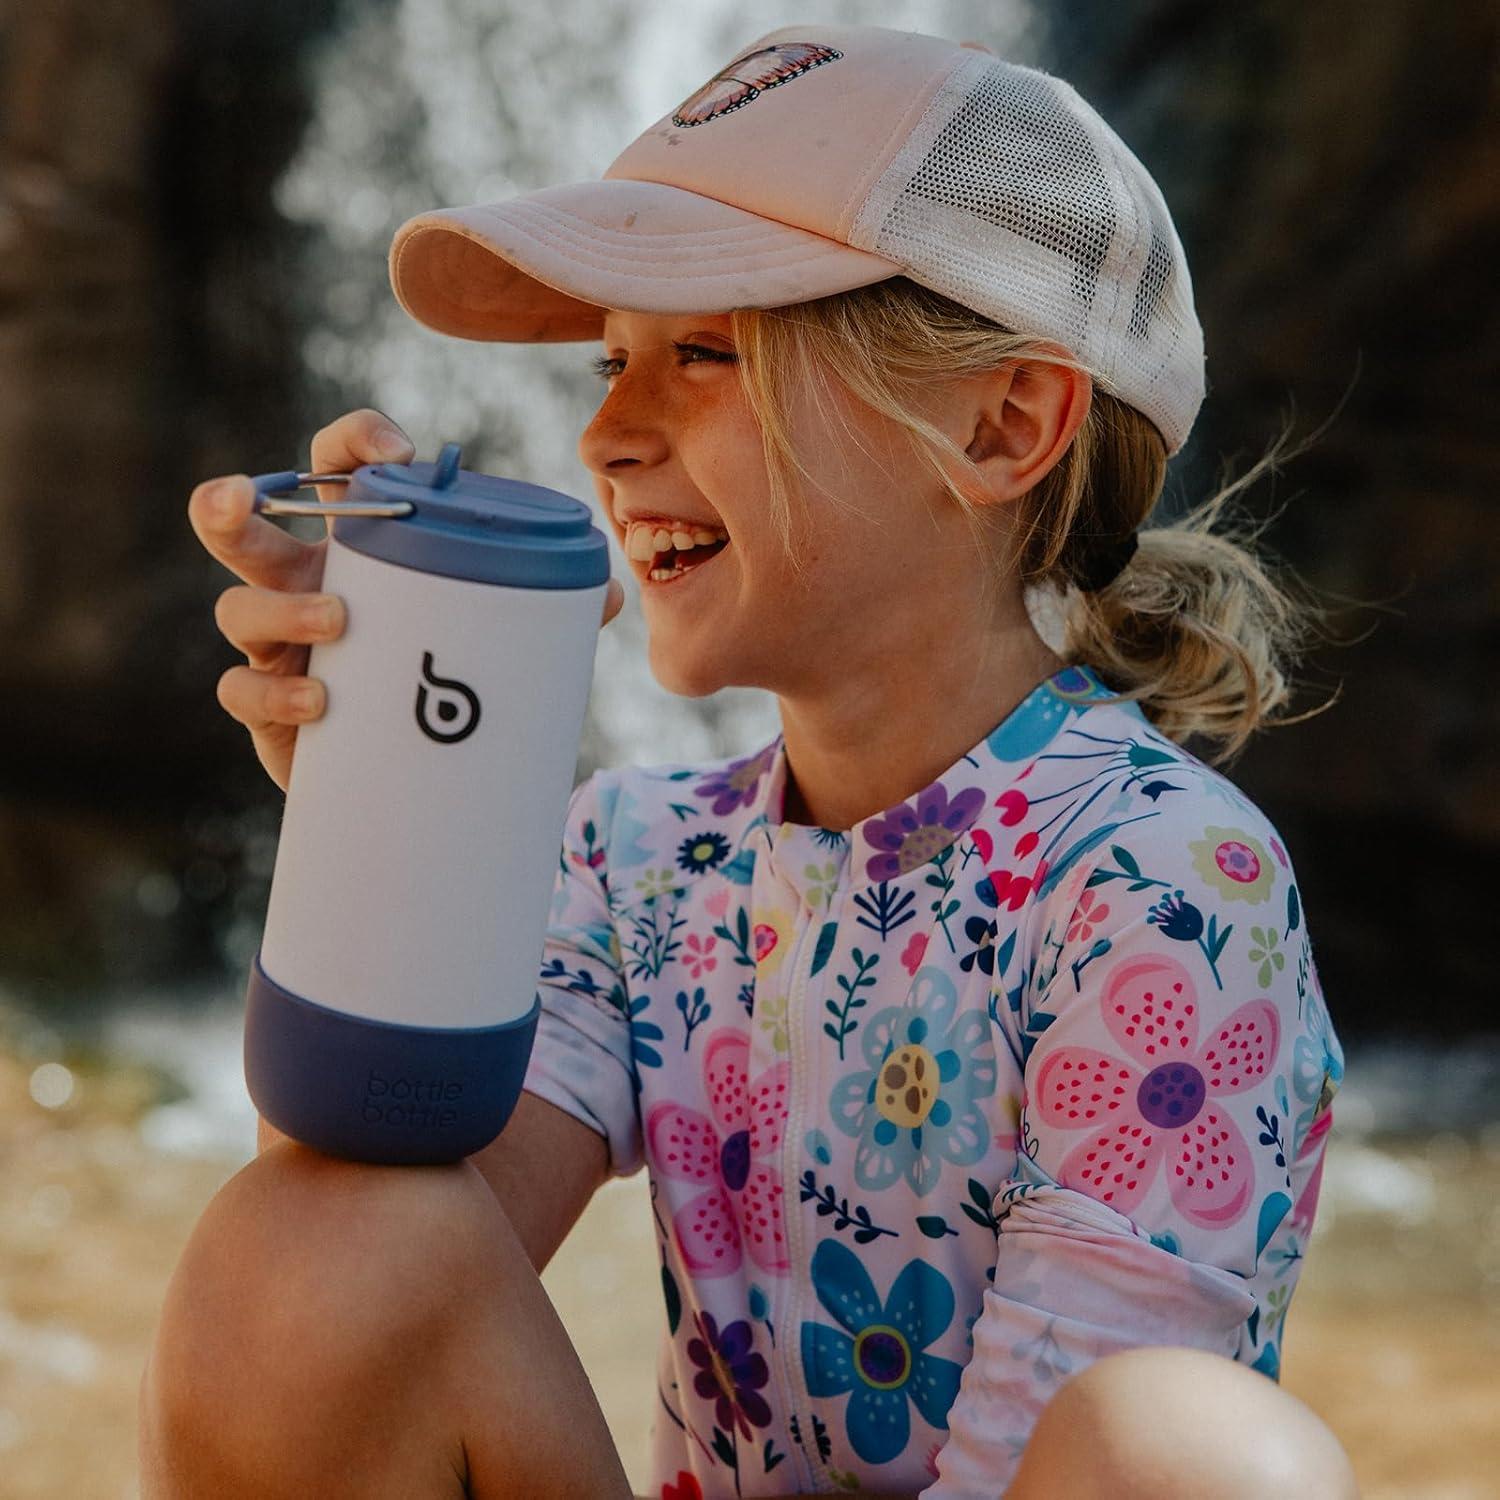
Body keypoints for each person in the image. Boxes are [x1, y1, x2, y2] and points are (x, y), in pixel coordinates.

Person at [141, 22, 1358, 1500]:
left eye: (704, 352)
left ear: (1005, 422)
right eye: (610, 360)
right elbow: (354, 1258)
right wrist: (389, 797)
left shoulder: (1162, 882)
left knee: (1186, 1449)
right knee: (306, 1243)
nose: (603, 433)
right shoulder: (637, 854)